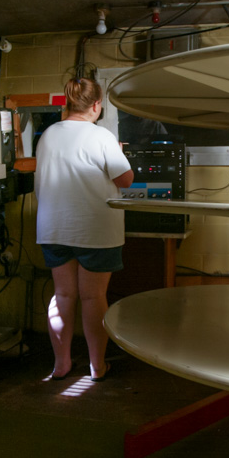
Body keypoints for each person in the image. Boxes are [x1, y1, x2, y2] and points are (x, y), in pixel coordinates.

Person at [34, 77, 134, 382]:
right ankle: (97, 367)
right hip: (94, 230)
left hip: (53, 227)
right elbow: (125, 179)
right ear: (96, 105)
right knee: (92, 298)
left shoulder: (48, 135)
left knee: (63, 295)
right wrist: (116, 151)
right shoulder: (101, 136)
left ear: (67, 103)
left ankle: (61, 365)